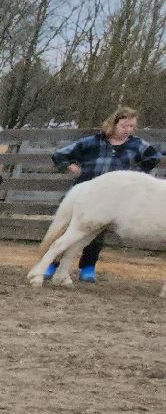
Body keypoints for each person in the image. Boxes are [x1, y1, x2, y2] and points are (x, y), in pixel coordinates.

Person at [47, 106, 160, 282]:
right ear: (113, 124)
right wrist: (72, 167)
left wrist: (135, 175)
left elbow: (154, 157)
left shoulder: (137, 144)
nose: (128, 130)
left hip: (113, 197)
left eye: (132, 127)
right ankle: (52, 264)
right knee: (68, 230)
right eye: (124, 126)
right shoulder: (92, 142)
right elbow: (60, 154)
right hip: (85, 193)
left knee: (97, 233)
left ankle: (88, 266)